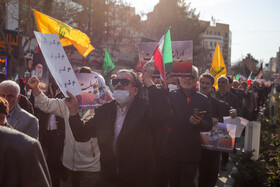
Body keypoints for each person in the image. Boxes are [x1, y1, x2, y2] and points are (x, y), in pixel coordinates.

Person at [65, 63, 172, 186]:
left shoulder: (145, 109)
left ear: (135, 90)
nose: (118, 84)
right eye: (115, 81)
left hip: (137, 180)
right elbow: (81, 135)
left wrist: (148, 81)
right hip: (107, 179)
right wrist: (73, 111)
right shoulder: (104, 110)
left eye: (125, 82)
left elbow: (164, 114)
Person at [28, 72, 101, 187]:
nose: (81, 85)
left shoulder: (101, 108)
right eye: (78, 82)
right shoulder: (67, 103)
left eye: (85, 82)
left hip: (89, 168)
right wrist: (36, 89)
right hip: (67, 164)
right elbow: (46, 104)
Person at [161, 66, 212, 187]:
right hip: (171, 151)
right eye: (184, 76)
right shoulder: (170, 96)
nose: (187, 79)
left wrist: (199, 122)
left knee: (187, 183)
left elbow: (208, 125)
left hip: (190, 154)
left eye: (191, 77)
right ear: (179, 77)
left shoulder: (203, 100)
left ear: (196, 80)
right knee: (173, 183)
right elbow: (164, 117)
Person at [198, 73, 224, 187]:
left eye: (207, 83)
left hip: (210, 144)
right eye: (202, 82)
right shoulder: (190, 98)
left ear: (212, 86)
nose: (204, 85)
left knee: (209, 173)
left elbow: (221, 118)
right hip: (192, 144)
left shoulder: (216, 102)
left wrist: (216, 119)